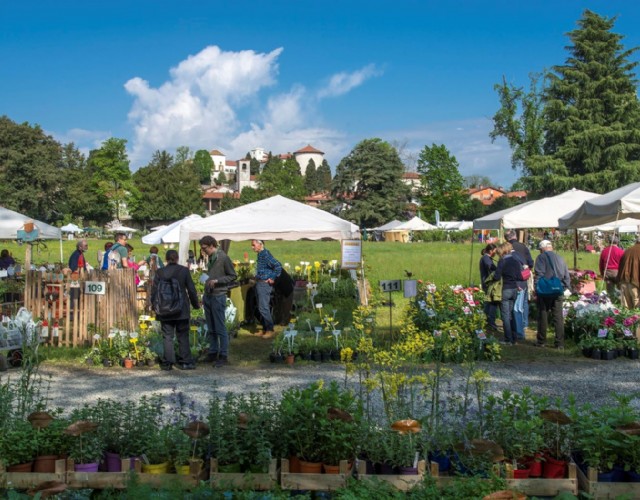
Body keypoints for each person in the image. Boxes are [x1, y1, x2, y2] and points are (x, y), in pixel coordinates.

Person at [151, 249, 200, 371]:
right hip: (181, 308)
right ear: (177, 258)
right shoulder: (183, 271)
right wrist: (196, 305)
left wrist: (154, 306)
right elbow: (191, 290)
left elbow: (154, 292)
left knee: (167, 336)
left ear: (166, 259)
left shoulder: (160, 272)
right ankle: (185, 362)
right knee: (183, 335)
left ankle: (168, 363)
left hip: (164, 309)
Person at [199, 236, 237, 367]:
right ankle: (213, 352)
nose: (203, 251)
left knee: (220, 327)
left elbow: (233, 275)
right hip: (209, 295)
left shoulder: (223, 257)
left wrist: (217, 281)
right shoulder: (210, 257)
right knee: (211, 327)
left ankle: (223, 355)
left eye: (204, 248)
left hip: (218, 295)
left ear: (211, 245)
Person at [534, 240, 571, 349]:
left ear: (542, 248)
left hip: (545, 290)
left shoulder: (541, 257)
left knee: (543, 314)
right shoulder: (560, 258)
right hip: (558, 289)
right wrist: (566, 287)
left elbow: (539, 274)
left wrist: (536, 288)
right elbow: (566, 274)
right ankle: (560, 343)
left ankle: (541, 341)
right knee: (558, 317)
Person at [493, 242, 527, 345]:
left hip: (506, 289)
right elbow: (520, 277)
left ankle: (507, 338)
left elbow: (497, 277)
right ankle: (514, 337)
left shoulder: (502, 262)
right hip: (514, 290)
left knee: (505, 315)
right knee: (512, 314)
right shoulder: (515, 261)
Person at [251, 239, 283, 339]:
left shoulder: (265, 254)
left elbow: (278, 265)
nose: (252, 247)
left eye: (253, 245)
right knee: (261, 307)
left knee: (263, 307)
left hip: (264, 285)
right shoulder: (260, 254)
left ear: (260, 245)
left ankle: (270, 329)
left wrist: (272, 278)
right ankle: (265, 329)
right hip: (260, 283)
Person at [505, 229, 533, 337]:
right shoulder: (523, 247)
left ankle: (518, 329)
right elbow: (530, 262)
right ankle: (524, 323)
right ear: (515, 236)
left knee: (515, 306)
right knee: (523, 303)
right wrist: (527, 271)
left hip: (514, 282)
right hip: (523, 280)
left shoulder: (507, 250)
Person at [479, 243, 499, 332]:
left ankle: (487, 321)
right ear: (491, 251)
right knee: (491, 303)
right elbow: (491, 268)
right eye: (495, 251)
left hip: (487, 284)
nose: (496, 253)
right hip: (488, 284)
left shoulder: (486, 258)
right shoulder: (486, 259)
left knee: (489, 303)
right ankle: (490, 322)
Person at [617, 235, 640, 309]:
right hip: (635, 282)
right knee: (637, 306)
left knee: (626, 307)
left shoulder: (627, 250)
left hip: (624, 280)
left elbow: (620, 266)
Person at [599, 235, 624, 299]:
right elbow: (623, 264)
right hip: (617, 272)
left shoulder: (604, 251)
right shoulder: (621, 251)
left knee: (610, 291)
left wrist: (602, 273)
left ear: (609, 242)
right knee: (622, 289)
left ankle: (611, 302)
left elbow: (601, 264)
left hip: (607, 272)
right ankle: (620, 302)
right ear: (617, 242)